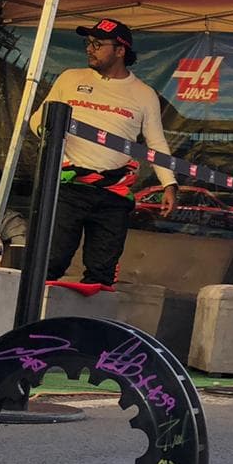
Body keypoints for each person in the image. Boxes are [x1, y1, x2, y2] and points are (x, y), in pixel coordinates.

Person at [29, 19, 177, 287]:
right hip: (68, 186)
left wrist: (169, 184)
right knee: (49, 262)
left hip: (114, 192)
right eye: (88, 43)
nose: (90, 49)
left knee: (101, 271)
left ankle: (88, 328)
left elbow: (156, 142)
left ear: (120, 51)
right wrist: (50, 134)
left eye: (98, 44)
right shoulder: (70, 78)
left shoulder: (144, 94)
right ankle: (33, 325)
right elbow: (39, 118)